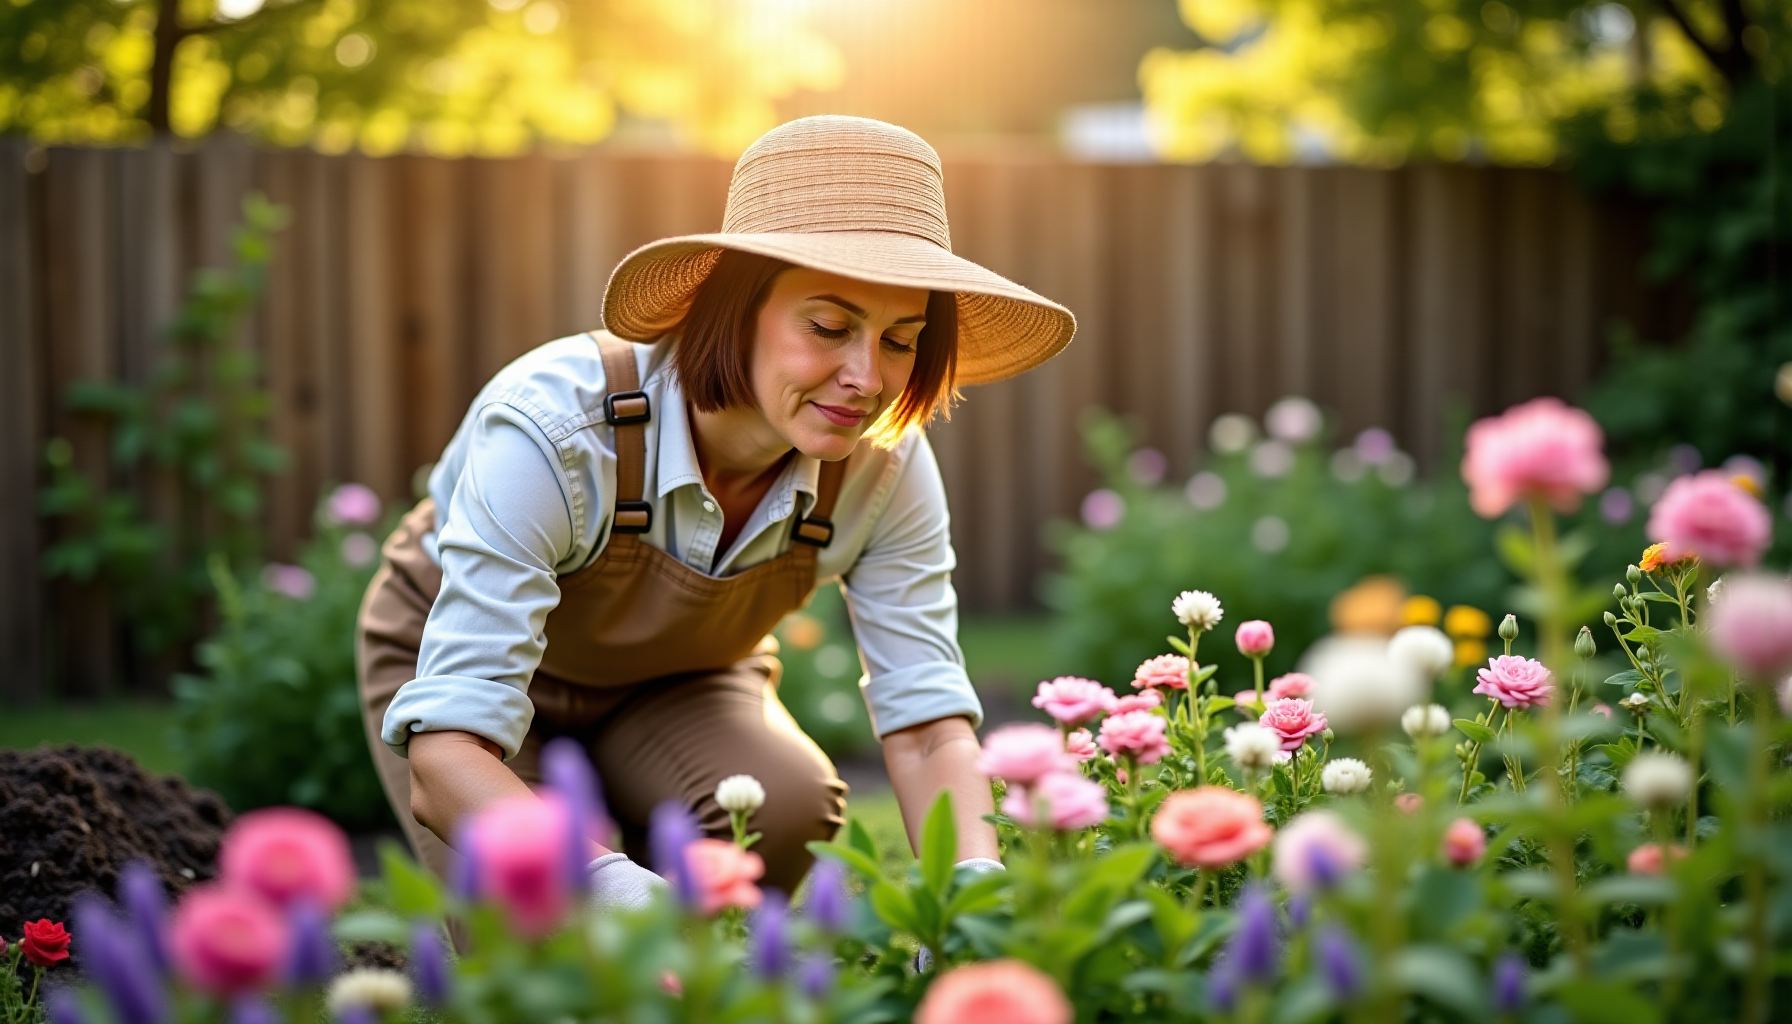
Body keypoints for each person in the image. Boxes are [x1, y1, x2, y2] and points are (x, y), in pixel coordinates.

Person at [356, 115, 1076, 906]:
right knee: (544, 940)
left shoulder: (883, 470)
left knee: (780, 805)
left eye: (901, 340)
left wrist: (971, 893)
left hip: (679, 682)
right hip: (460, 683)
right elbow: (447, 757)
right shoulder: (556, 430)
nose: (868, 380)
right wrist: (617, 891)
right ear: (733, 306)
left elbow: (929, 725)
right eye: (829, 327)